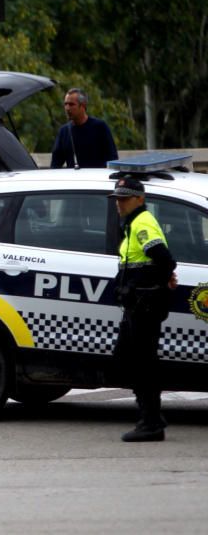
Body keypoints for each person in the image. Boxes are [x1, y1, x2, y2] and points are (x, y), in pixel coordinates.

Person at [109, 176, 177, 442]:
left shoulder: (142, 223)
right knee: (129, 359)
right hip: (138, 304)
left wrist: (162, 279)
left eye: (125, 198)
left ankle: (151, 423)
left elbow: (163, 258)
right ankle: (152, 417)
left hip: (144, 306)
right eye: (118, 198)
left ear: (140, 198)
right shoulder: (134, 224)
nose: (120, 203)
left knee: (142, 363)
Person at [50, 88, 119, 168]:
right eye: (65, 104)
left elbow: (112, 158)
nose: (67, 108)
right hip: (74, 179)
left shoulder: (100, 127)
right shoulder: (64, 131)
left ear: (83, 106)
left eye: (71, 104)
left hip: (96, 178)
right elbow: (55, 164)